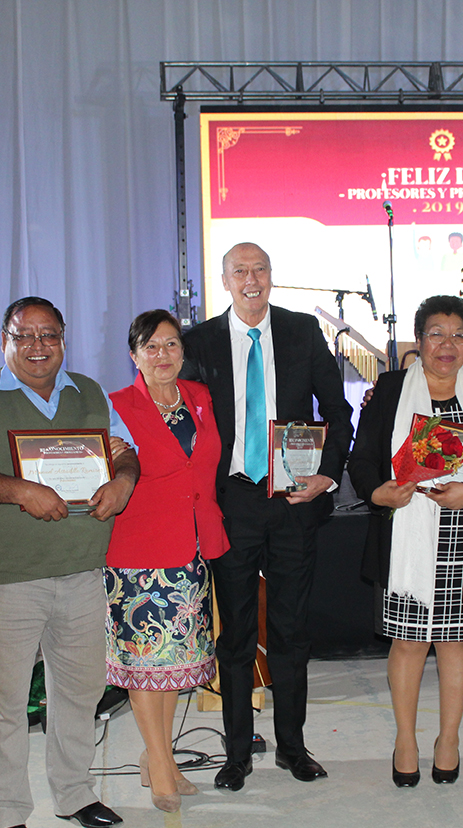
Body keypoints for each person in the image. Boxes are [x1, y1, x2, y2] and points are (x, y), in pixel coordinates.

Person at [0, 297, 139, 828]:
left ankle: (74, 794)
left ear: (63, 339)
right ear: (4, 340)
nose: (37, 345)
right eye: (23, 335)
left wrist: (123, 481)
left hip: (83, 571)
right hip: (10, 576)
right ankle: (4, 813)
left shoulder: (90, 394)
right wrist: (20, 491)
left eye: (48, 334)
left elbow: (125, 450)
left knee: (79, 692)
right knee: (0, 701)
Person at [180, 242, 354, 791]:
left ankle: (292, 748)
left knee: (291, 629)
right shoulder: (200, 341)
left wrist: (327, 474)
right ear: (226, 281)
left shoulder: (302, 331)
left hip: (293, 499)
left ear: (271, 276)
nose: (251, 279)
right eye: (240, 271)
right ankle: (237, 754)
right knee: (234, 634)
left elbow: (338, 410)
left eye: (259, 269)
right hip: (231, 502)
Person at [348, 295, 463, 788]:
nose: (447, 345)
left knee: (455, 640)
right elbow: (363, 460)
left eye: (457, 335)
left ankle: (449, 739)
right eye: (436, 334)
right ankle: (406, 740)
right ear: (419, 341)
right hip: (407, 531)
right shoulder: (391, 390)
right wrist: (378, 492)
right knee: (408, 641)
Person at [106, 309, 227, 812]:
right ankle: (159, 763)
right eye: (151, 346)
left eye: (171, 344)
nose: (162, 354)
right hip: (138, 552)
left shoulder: (200, 397)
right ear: (134, 355)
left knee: (173, 665)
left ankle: (160, 757)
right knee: (144, 664)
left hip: (193, 549)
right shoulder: (116, 406)